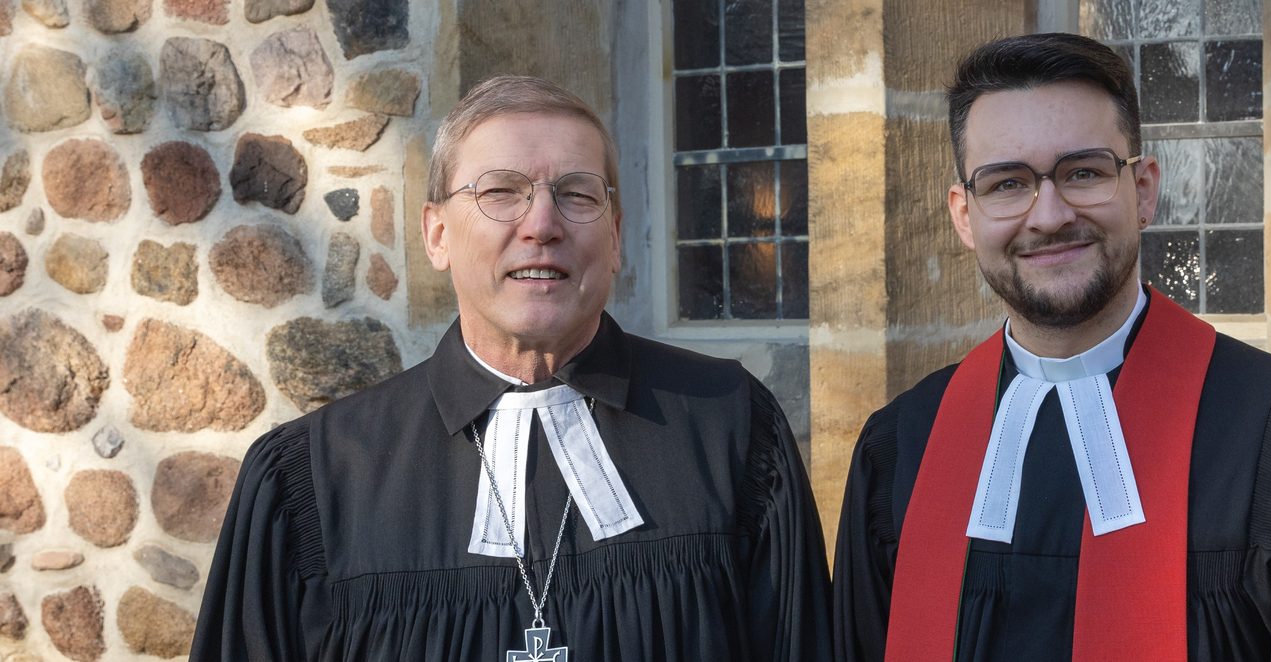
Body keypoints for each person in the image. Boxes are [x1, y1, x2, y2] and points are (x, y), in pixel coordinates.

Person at [830, 33, 1271, 662]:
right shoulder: (900, 448)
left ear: (1144, 188)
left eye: (1084, 173)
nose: (1048, 215)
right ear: (965, 215)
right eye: (1006, 184)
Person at [191, 76, 832, 662]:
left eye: (576, 194)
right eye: (501, 192)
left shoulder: (731, 429)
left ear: (614, 236)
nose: (543, 224)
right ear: (437, 235)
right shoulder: (315, 477)